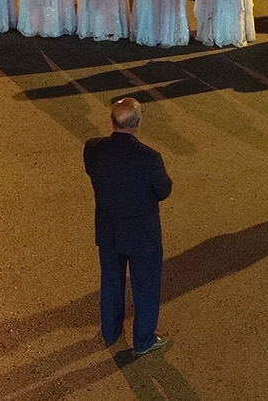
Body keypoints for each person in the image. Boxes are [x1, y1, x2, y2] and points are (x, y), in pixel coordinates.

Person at [83, 97, 172, 356]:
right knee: (146, 285)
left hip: (109, 229)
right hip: (142, 234)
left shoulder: (93, 148)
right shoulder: (149, 158)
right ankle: (143, 339)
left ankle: (110, 331)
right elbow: (163, 190)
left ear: (112, 120)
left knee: (111, 281)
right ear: (138, 123)